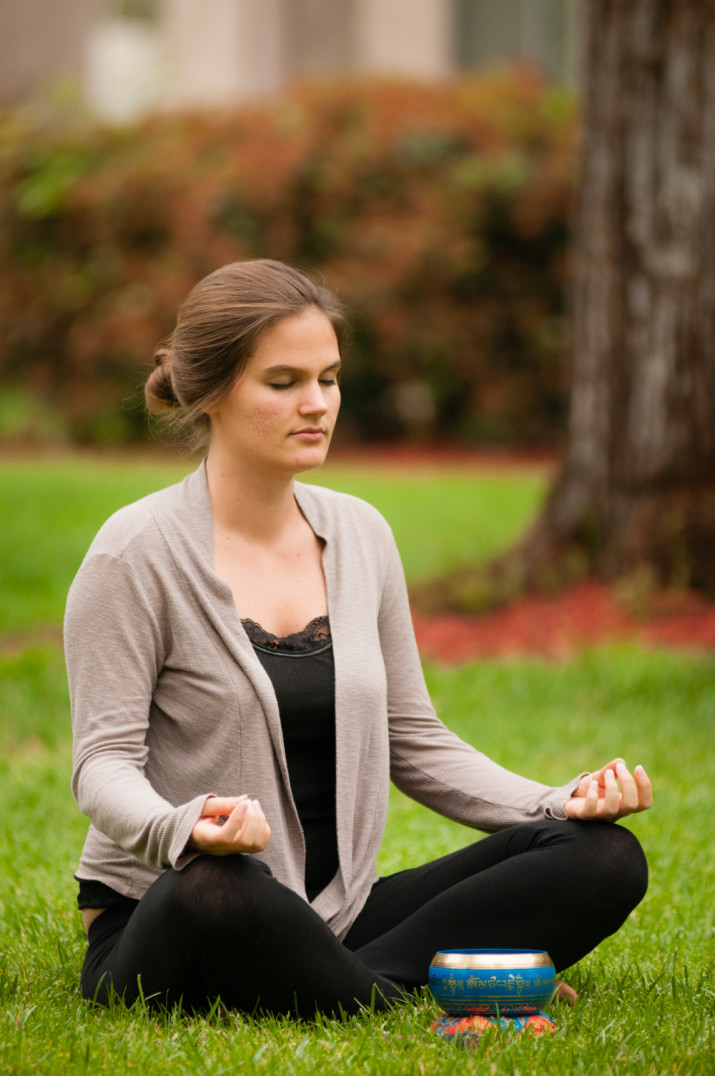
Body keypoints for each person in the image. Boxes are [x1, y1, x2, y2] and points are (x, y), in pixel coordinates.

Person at [65, 259, 652, 1020]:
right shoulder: (133, 553)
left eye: (329, 378)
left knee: (603, 857)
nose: (316, 404)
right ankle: (417, 990)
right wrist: (184, 829)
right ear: (211, 393)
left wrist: (556, 803)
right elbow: (102, 765)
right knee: (218, 889)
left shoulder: (360, 535)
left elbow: (412, 736)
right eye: (283, 382)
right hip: (179, 904)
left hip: (339, 912)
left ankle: (345, 979)